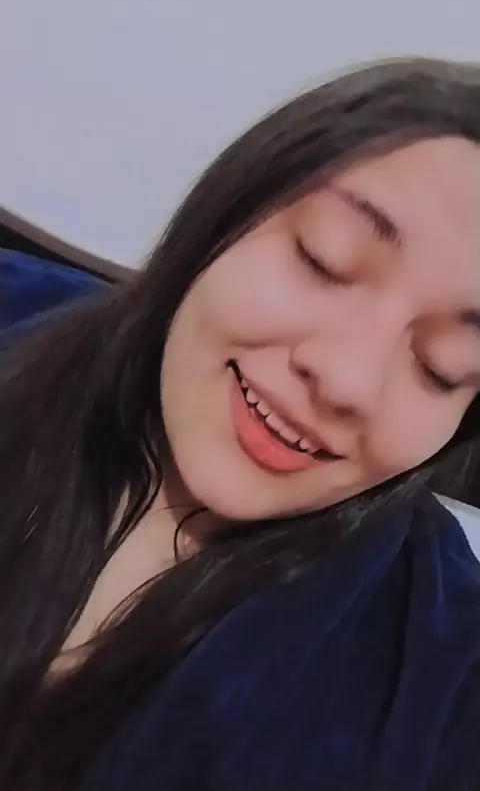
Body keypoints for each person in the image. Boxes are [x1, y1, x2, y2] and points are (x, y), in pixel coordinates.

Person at [1, 57, 480, 791]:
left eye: (441, 367)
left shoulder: (445, 674)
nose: (347, 380)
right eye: (324, 260)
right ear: (227, 213)